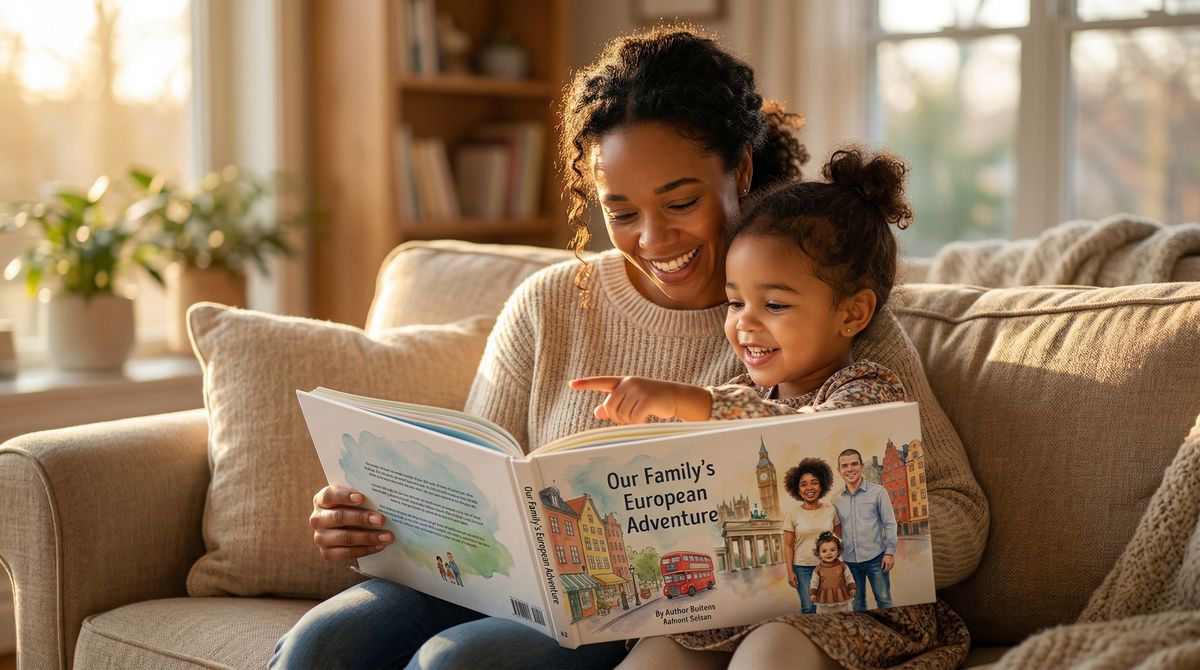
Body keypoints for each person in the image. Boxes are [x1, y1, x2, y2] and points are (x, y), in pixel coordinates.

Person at [274, 25, 809, 670]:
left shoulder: (807, 307)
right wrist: (370, 524)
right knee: (320, 646)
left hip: (649, 612)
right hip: (495, 581)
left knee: (457, 663)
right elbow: (472, 483)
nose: (653, 239)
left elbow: (950, 520)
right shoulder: (548, 302)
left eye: (681, 202)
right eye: (621, 212)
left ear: (741, 169)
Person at [568, 146, 910, 427]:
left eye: (774, 305)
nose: (744, 322)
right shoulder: (742, 392)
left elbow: (808, 437)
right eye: (735, 302)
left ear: (853, 312)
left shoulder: (868, 391)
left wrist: (683, 400)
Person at [833, 448, 897, 610]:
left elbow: (889, 523)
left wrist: (889, 553)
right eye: (845, 466)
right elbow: (836, 528)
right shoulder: (836, 500)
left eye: (854, 464)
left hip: (876, 559)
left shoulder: (878, 492)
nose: (850, 469)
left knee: (884, 600)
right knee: (857, 604)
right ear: (839, 470)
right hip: (850, 562)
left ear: (861, 466)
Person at [781, 458, 840, 615]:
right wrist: (790, 571)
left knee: (831, 606)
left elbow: (842, 537)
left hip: (829, 567)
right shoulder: (792, 515)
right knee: (809, 608)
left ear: (821, 486)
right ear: (798, 490)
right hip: (803, 569)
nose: (809, 488)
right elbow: (788, 545)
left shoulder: (831, 510)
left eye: (814, 482)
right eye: (803, 484)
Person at [809, 532, 856, 614]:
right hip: (824, 597)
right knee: (825, 615)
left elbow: (849, 578)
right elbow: (814, 583)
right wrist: (813, 593)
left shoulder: (843, 566)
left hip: (842, 595)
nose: (828, 553)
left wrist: (852, 588)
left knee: (845, 613)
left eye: (833, 550)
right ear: (819, 553)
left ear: (838, 551)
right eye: (824, 551)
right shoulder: (818, 569)